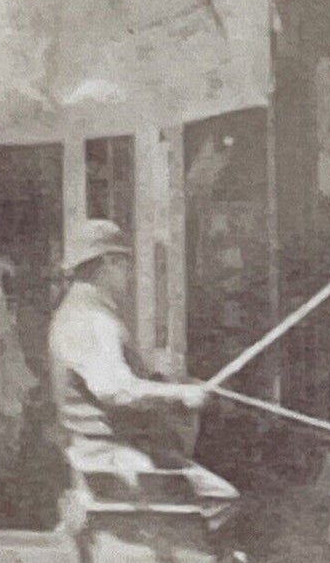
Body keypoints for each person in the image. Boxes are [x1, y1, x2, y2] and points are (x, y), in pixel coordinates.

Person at [48, 218, 236, 522]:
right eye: (124, 264)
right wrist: (180, 393)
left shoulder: (80, 313)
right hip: (107, 453)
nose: (128, 275)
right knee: (219, 497)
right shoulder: (90, 320)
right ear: (108, 263)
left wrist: (173, 384)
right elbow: (114, 389)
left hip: (107, 448)